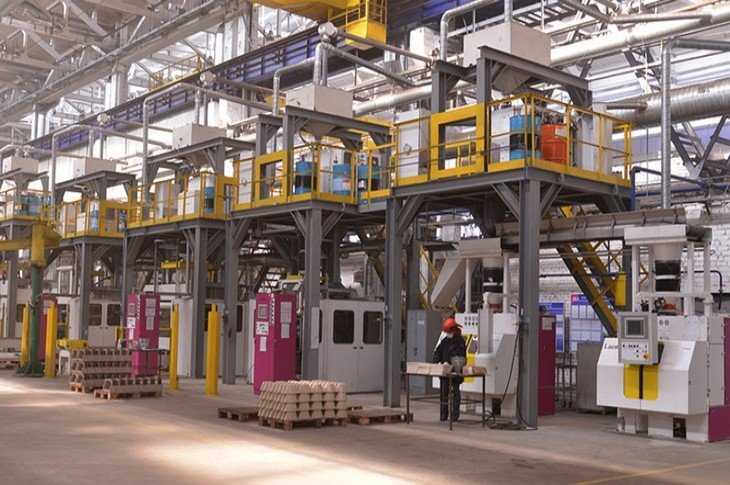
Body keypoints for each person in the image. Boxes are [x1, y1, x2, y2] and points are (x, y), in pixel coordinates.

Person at [432, 317, 467, 422]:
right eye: (446, 332)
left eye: (449, 332)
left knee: (455, 393)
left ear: (454, 330)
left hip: (455, 372)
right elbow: (437, 352)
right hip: (445, 373)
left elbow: (460, 357)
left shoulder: (460, 341)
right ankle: (443, 415)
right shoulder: (445, 341)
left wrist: (451, 363)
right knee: (444, 393)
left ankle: (454, 416)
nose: (448, 334)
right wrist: (437, 361)